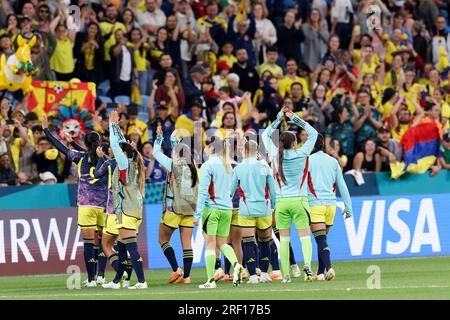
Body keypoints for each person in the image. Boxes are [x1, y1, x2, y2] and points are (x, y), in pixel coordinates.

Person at [41, 115, 105, 287]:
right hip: (104, 205)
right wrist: (74, 141)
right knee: (103, 242)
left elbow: (59, 146)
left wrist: (46, 130)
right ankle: (101, 276)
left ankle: (91, 279)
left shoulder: (81, 158)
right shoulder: (105, 158)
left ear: (86, 143)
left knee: (89, 244)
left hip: (86, 205)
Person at [261, 106, 318, 283]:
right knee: (304, 237)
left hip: (281, 203)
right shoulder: (302, 153)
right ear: (294, 143)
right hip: (300, 202)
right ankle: (307, 265)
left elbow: (265, 134)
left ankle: (285, 275)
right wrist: (294, 118)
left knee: (284, 240)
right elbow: (313, 133)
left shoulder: (274, 154)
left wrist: (279, 117)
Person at [102, 111, 147, 289]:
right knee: (121, 247)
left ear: (123, 153)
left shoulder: (124, 164)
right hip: (130, 210)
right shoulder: (134, 162)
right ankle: (117, 281)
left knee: (131, 248)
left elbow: (115, 143)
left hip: (126, 211)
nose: (114, 150)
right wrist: (117, 127)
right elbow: (120, 144)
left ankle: (142, 281)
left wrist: (112, 124)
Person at [194, 136, 244, 289]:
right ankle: (236, 264)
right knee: (222, 243)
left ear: (211, 148)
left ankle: (210, 280)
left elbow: (203, 192)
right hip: (227, 209)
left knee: (210, 244)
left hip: (212, 209)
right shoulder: (228, 165)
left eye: (206, 146)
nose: (204, 149)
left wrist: (197, 214)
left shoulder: (208, 165)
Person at [153, 126, 198, 284]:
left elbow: (156, 153)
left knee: (162, 240)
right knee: (187, 244)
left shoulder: (173, 164)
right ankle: (186, 277)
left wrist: (159, 137)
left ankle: (176, 269)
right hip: (190, 209)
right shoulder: (194, 167)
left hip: (174, 208)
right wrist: (173, 137)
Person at [230, 139, 276, 284]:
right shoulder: (265, 167)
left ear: (244, 151)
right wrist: (274, 206)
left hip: (246, 209)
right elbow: (273, 191)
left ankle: (252, 276)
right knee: (265, 242)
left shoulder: (238, 168)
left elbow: (231, 192)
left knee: (248, 242)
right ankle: (263, 273)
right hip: (264, 208)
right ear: (257, 152)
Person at [307, 134, 352, 281]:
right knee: (323, 239)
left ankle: (329, 268)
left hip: (315, 204)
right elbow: (342, 185)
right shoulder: (333, 162)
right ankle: (320, 273)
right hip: (331, 206)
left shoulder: (307, 161)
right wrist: (348, 207)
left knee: (320, 240)